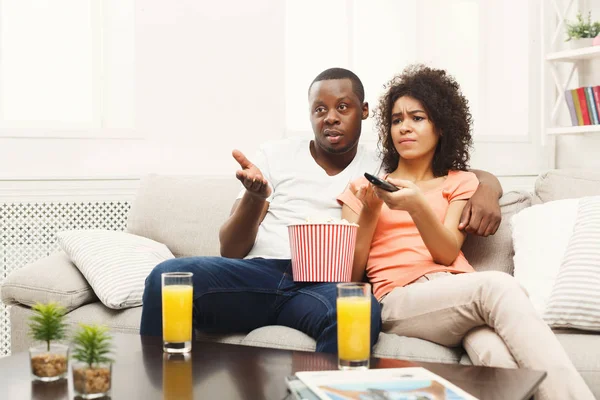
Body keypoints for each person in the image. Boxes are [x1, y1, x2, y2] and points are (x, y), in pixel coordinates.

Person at [139, 67, 502, 354]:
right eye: (320, 109)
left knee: (358, 311)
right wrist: (255, 197)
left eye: (342, 107)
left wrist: (488, 189)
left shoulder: (385, 163)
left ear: (364, 112)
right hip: (259, 275)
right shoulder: (274, 155)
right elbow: (230, 249)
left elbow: (453, 172)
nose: (330, 117)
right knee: (167, 276)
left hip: (326, 285)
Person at [338, 64, 593, 400]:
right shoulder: (360, 189)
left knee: (497, 357)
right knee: (498, 286)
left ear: (440, 126)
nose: (404, 127)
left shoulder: (460, 182)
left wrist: (416, 205)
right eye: (397, 120)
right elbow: (349, 275)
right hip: (399, 297)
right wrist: (370, 213)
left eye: (417, 117)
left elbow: (445, 253)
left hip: (457, 291)